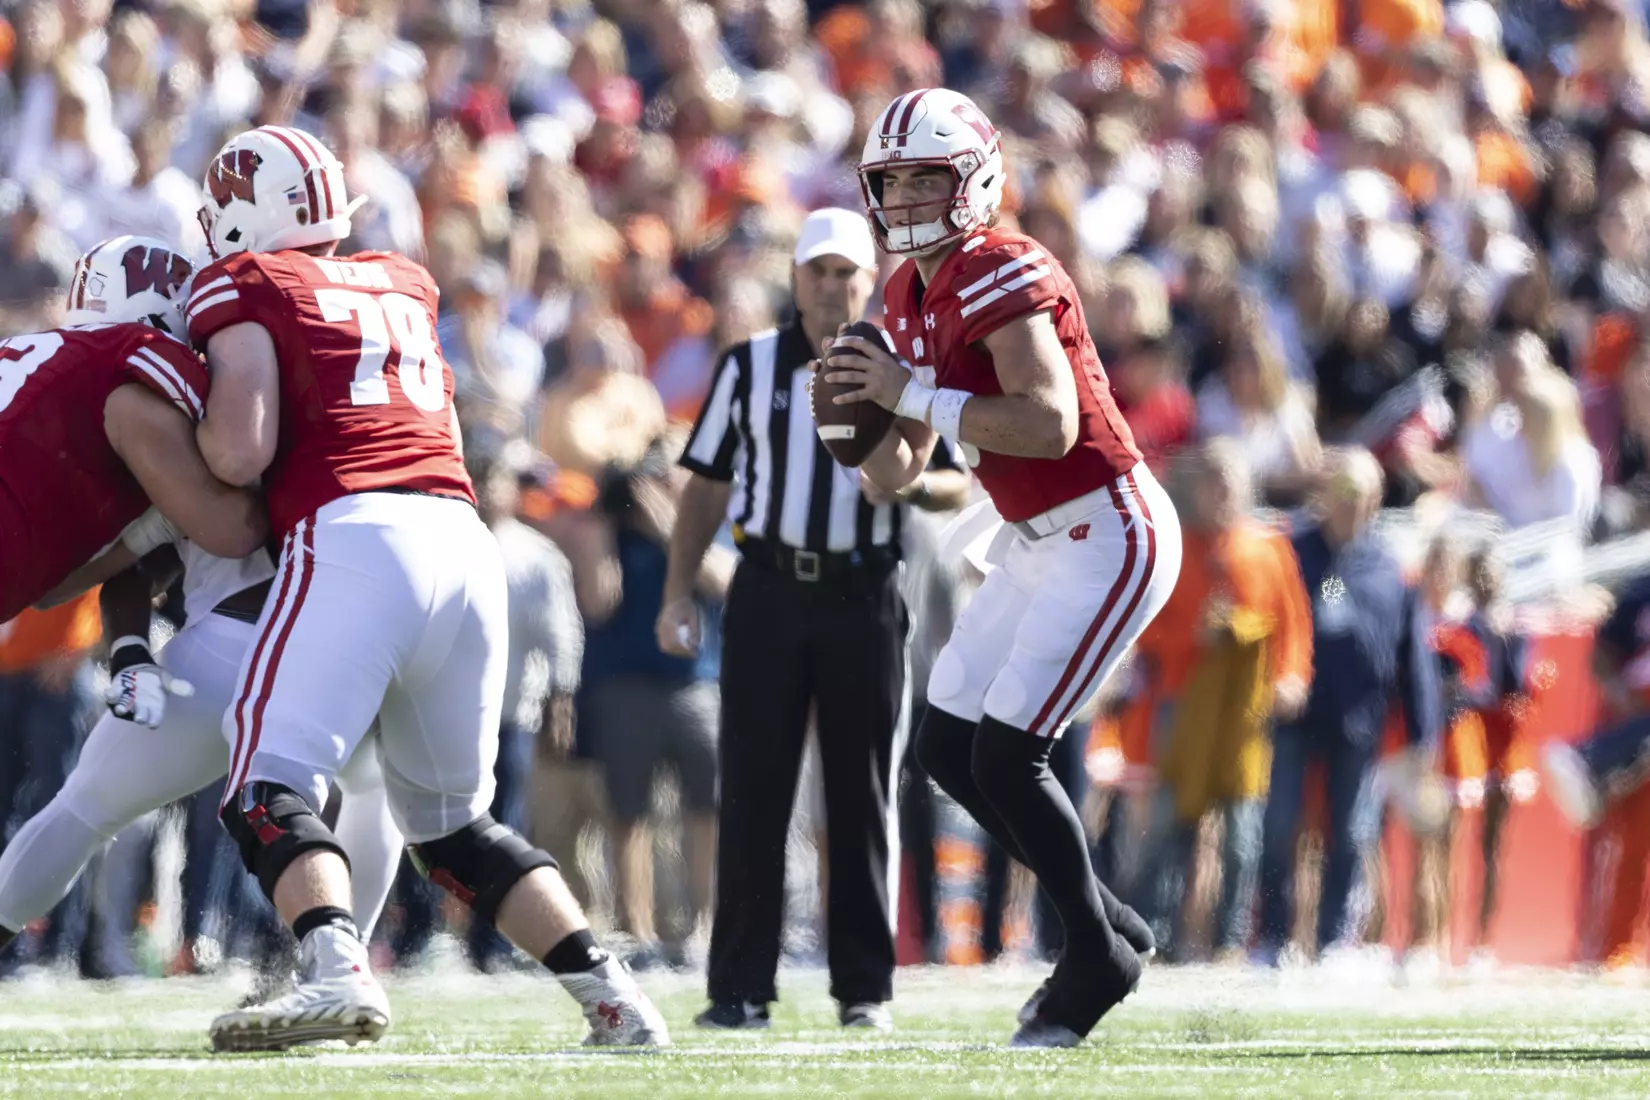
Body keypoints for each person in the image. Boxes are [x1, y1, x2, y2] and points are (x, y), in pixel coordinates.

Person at [184, 125, 666, 1051]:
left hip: (359, 536)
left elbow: (239, 447)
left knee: (263, 782)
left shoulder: (249, 281)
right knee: (451, 825)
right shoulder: (403, 279)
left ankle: (333, 972)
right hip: (465, 537)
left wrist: (176, 443)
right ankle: (614, 1000)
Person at [828, 88, 1182, 1048]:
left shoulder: (1003, 263)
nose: (902, 197)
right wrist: (855, 427)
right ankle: (1104, 920)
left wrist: (915, 394)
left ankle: (1094, 958)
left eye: (922, 177)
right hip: (1034, 535)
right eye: (889, 179)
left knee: (1008, 753)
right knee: (946, 749)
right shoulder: (903, 293)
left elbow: (1046, 419)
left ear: (974, 180)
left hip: (1108, 526)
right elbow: (897, 473)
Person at [0, 252, 400, 970]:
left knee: (88, 807)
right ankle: (331, 967)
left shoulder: (102, 375)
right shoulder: (191, 385)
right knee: (378, 795)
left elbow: (202, 528)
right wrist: (128, 647)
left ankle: (326, 967)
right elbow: (124, 553)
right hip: (321, 636)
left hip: (253, 634)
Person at [658, 207, 968, 1032]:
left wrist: (903, 484)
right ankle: (739, 988)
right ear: (795, 280)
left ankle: (864, 988)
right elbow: (707, 484)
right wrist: (678, 590)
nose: (832, 289)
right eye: (818, 273)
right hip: (767, 588)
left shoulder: (898, 365)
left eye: (847, 275)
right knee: (754, 789)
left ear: (870, 284)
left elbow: (957, 482)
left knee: (863, 793)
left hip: (864, 592)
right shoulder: (749, 365)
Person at [0, 234, 268, 625]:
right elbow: (233, 530)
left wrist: (142, 535)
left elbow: (45, 590)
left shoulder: (36, 357)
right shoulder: (127, 370)